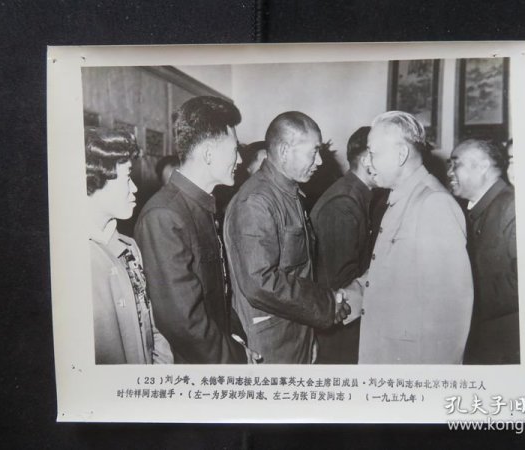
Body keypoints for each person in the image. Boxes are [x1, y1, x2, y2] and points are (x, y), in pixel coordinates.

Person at [135, 96, 257, 364]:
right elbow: (183, 323)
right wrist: (236, 357)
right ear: (209, 153)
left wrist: (237, 341)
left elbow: (218, 297)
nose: (239, 160)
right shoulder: (164, 215)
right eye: (234, 150)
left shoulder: (200, 207)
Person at [224, 111, 351, 364]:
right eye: (313, 152)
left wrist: (309, 335)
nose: (319, 161)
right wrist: (326, 305)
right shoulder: (256, 201)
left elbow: (299, 273)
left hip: (295, 335)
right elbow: (260, 283)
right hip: (271, 347)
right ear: (284, 151)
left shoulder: (288, 193)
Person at [357, 111, 473, 364]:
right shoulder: (400, 198)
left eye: (373, 153)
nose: (367, 162)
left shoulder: (434, 203)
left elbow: (450, 313)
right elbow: (388, 274)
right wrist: (346, 297)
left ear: (401, 154)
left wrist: (431, 383)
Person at [86, 127, 172, 364]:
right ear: (95, 180)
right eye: (127, 178)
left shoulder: (129, 248)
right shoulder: (70, 259)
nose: (134, 188)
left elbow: (152, 331)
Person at [448, 139, 519, 364]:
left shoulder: (512, 207)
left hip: (504, 349)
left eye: (456, 164)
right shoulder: (472, 209)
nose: (449, 172)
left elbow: (524, 285)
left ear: (483, 166)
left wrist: (460, 295)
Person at [309, 126, 376, 364]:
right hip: (339, 327)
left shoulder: (357, 195)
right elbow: (340, 281)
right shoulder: (343, 203)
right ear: (367, 159)